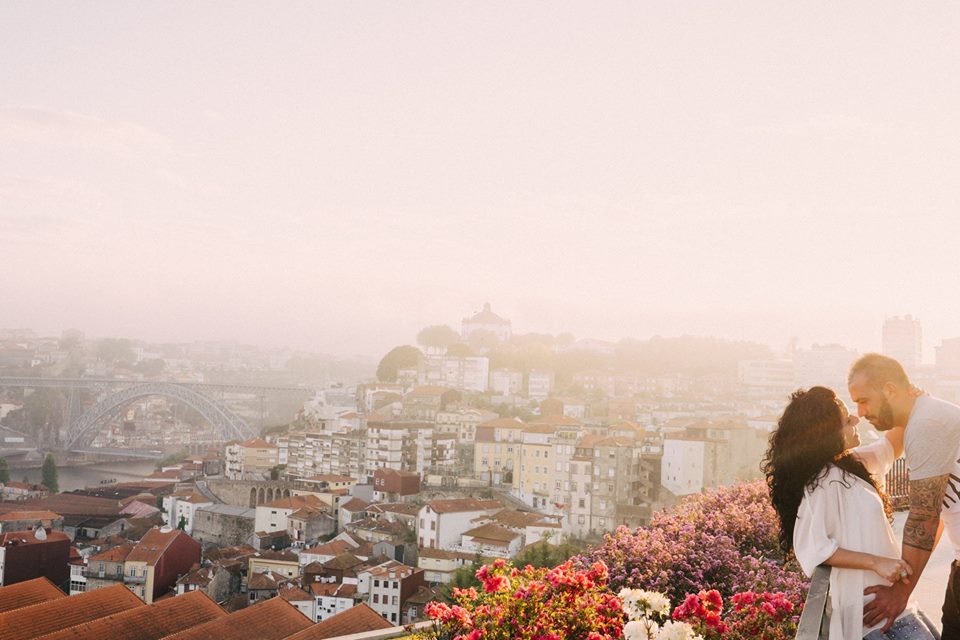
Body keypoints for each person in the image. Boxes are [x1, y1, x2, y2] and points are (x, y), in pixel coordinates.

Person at [764, 386, 935, 639]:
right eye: (847, 420)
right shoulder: (823, 482)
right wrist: (876, 562)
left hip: (892, 605)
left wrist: (913, 400)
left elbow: (890, 444)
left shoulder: (850, 465)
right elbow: (813, 546)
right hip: (871, 614)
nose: (856, 419)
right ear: (828, 433)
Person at [850, 353, 960, 637]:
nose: (860, 412)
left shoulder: (927, 423)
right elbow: (936, 516)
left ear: (889, 390)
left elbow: (922, 517)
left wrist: (900, 592)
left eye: (864, 400)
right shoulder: (919, 417)